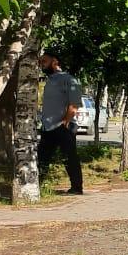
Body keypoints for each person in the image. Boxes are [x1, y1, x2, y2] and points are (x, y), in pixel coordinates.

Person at [37, 49, 84, 195]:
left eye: (44, 61)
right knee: (42, 158)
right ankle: (35, 188)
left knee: (70, 158)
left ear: (55, 62)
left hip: (63, 127)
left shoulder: (69, 79)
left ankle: (76, 188)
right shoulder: (49, 81)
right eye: (40, 62)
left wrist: (65, 122)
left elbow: (74, 105)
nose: (41, 65)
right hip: (47, 127)